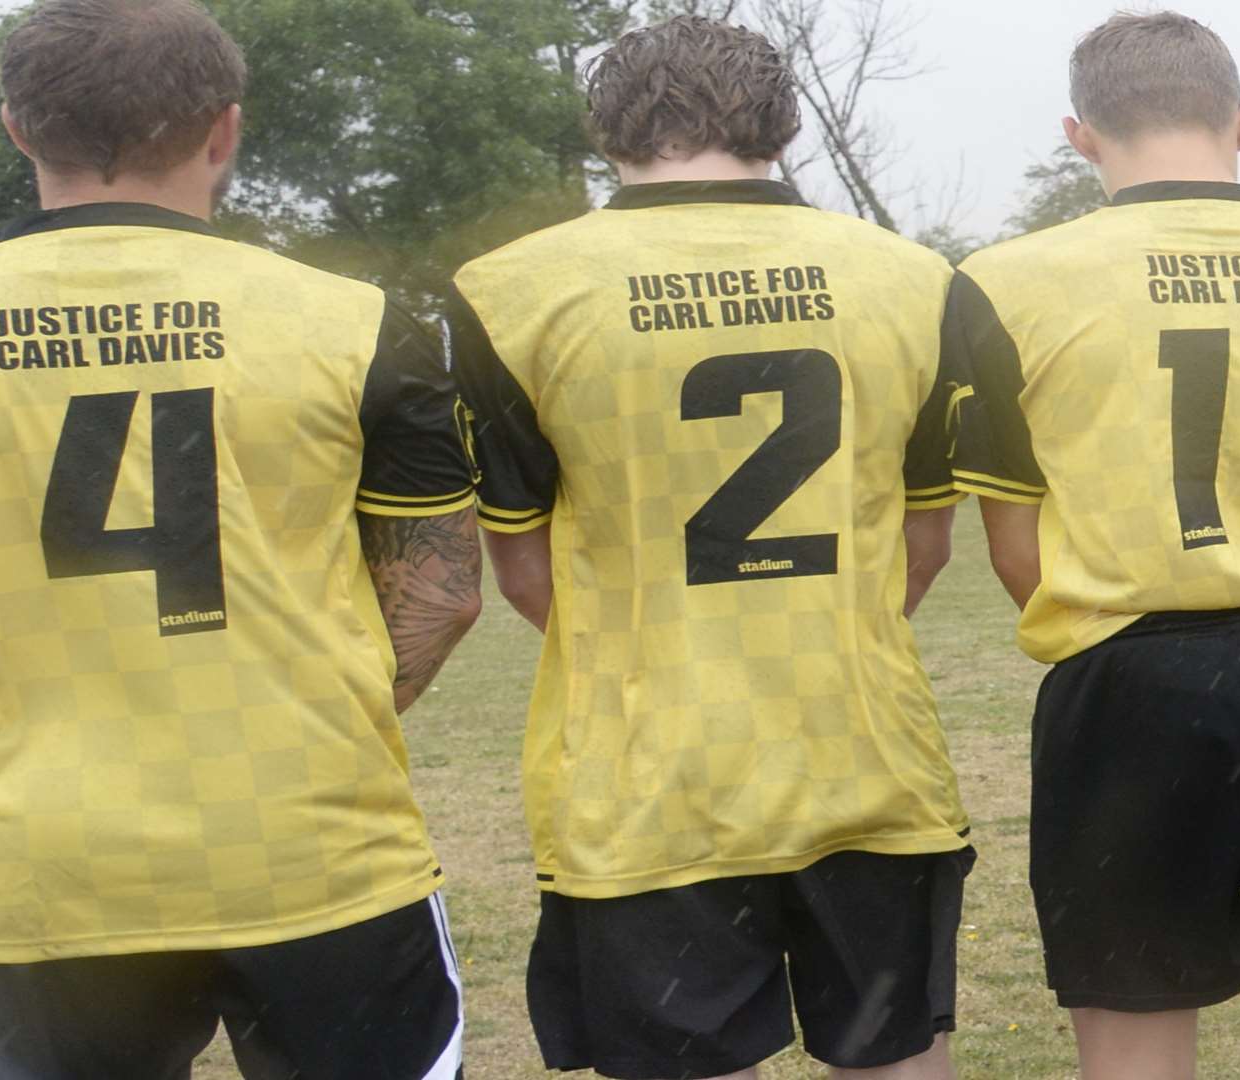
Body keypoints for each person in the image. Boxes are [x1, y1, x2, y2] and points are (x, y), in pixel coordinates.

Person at [0, 2, 484, 1077]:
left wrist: (11, 718)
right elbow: (445, 589)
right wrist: (315, 708)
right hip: (311, 842)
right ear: (223, 128)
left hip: (38, 861)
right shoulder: (353, 323)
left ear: (16, 127)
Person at [449, 15, 972, 1080]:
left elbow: (523, 565)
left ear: (608, 129)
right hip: (861, 748)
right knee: (894, 1057)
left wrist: (666, 639)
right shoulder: (915, 277)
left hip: (648, 772)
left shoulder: (511, 290)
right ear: (778, 122)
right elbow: (922, 549)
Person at [947, 12, 1240, 1080]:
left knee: (1137, 1021)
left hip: (1138, 671)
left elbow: (1016, 543)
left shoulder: (1006, 279)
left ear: (1081, 134)